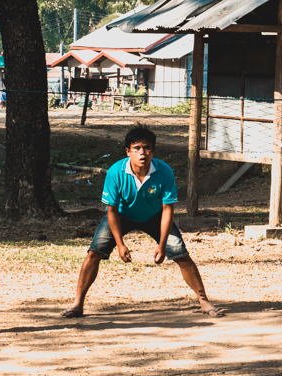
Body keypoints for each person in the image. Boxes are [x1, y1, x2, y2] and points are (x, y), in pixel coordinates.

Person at [62, 124, 225, 319]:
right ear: (128, 151)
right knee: (94, 253)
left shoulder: (164, 172)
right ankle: (78, 303)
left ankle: (203, 300)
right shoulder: (116, 172)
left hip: (155, 216)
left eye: (147, 148)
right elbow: (111, 212)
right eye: (136, 148)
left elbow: (167, 210)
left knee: (181, 255)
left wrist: (163, 245)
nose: (142, 153)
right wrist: (120, 245)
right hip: (121, 216)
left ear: (153, 150)